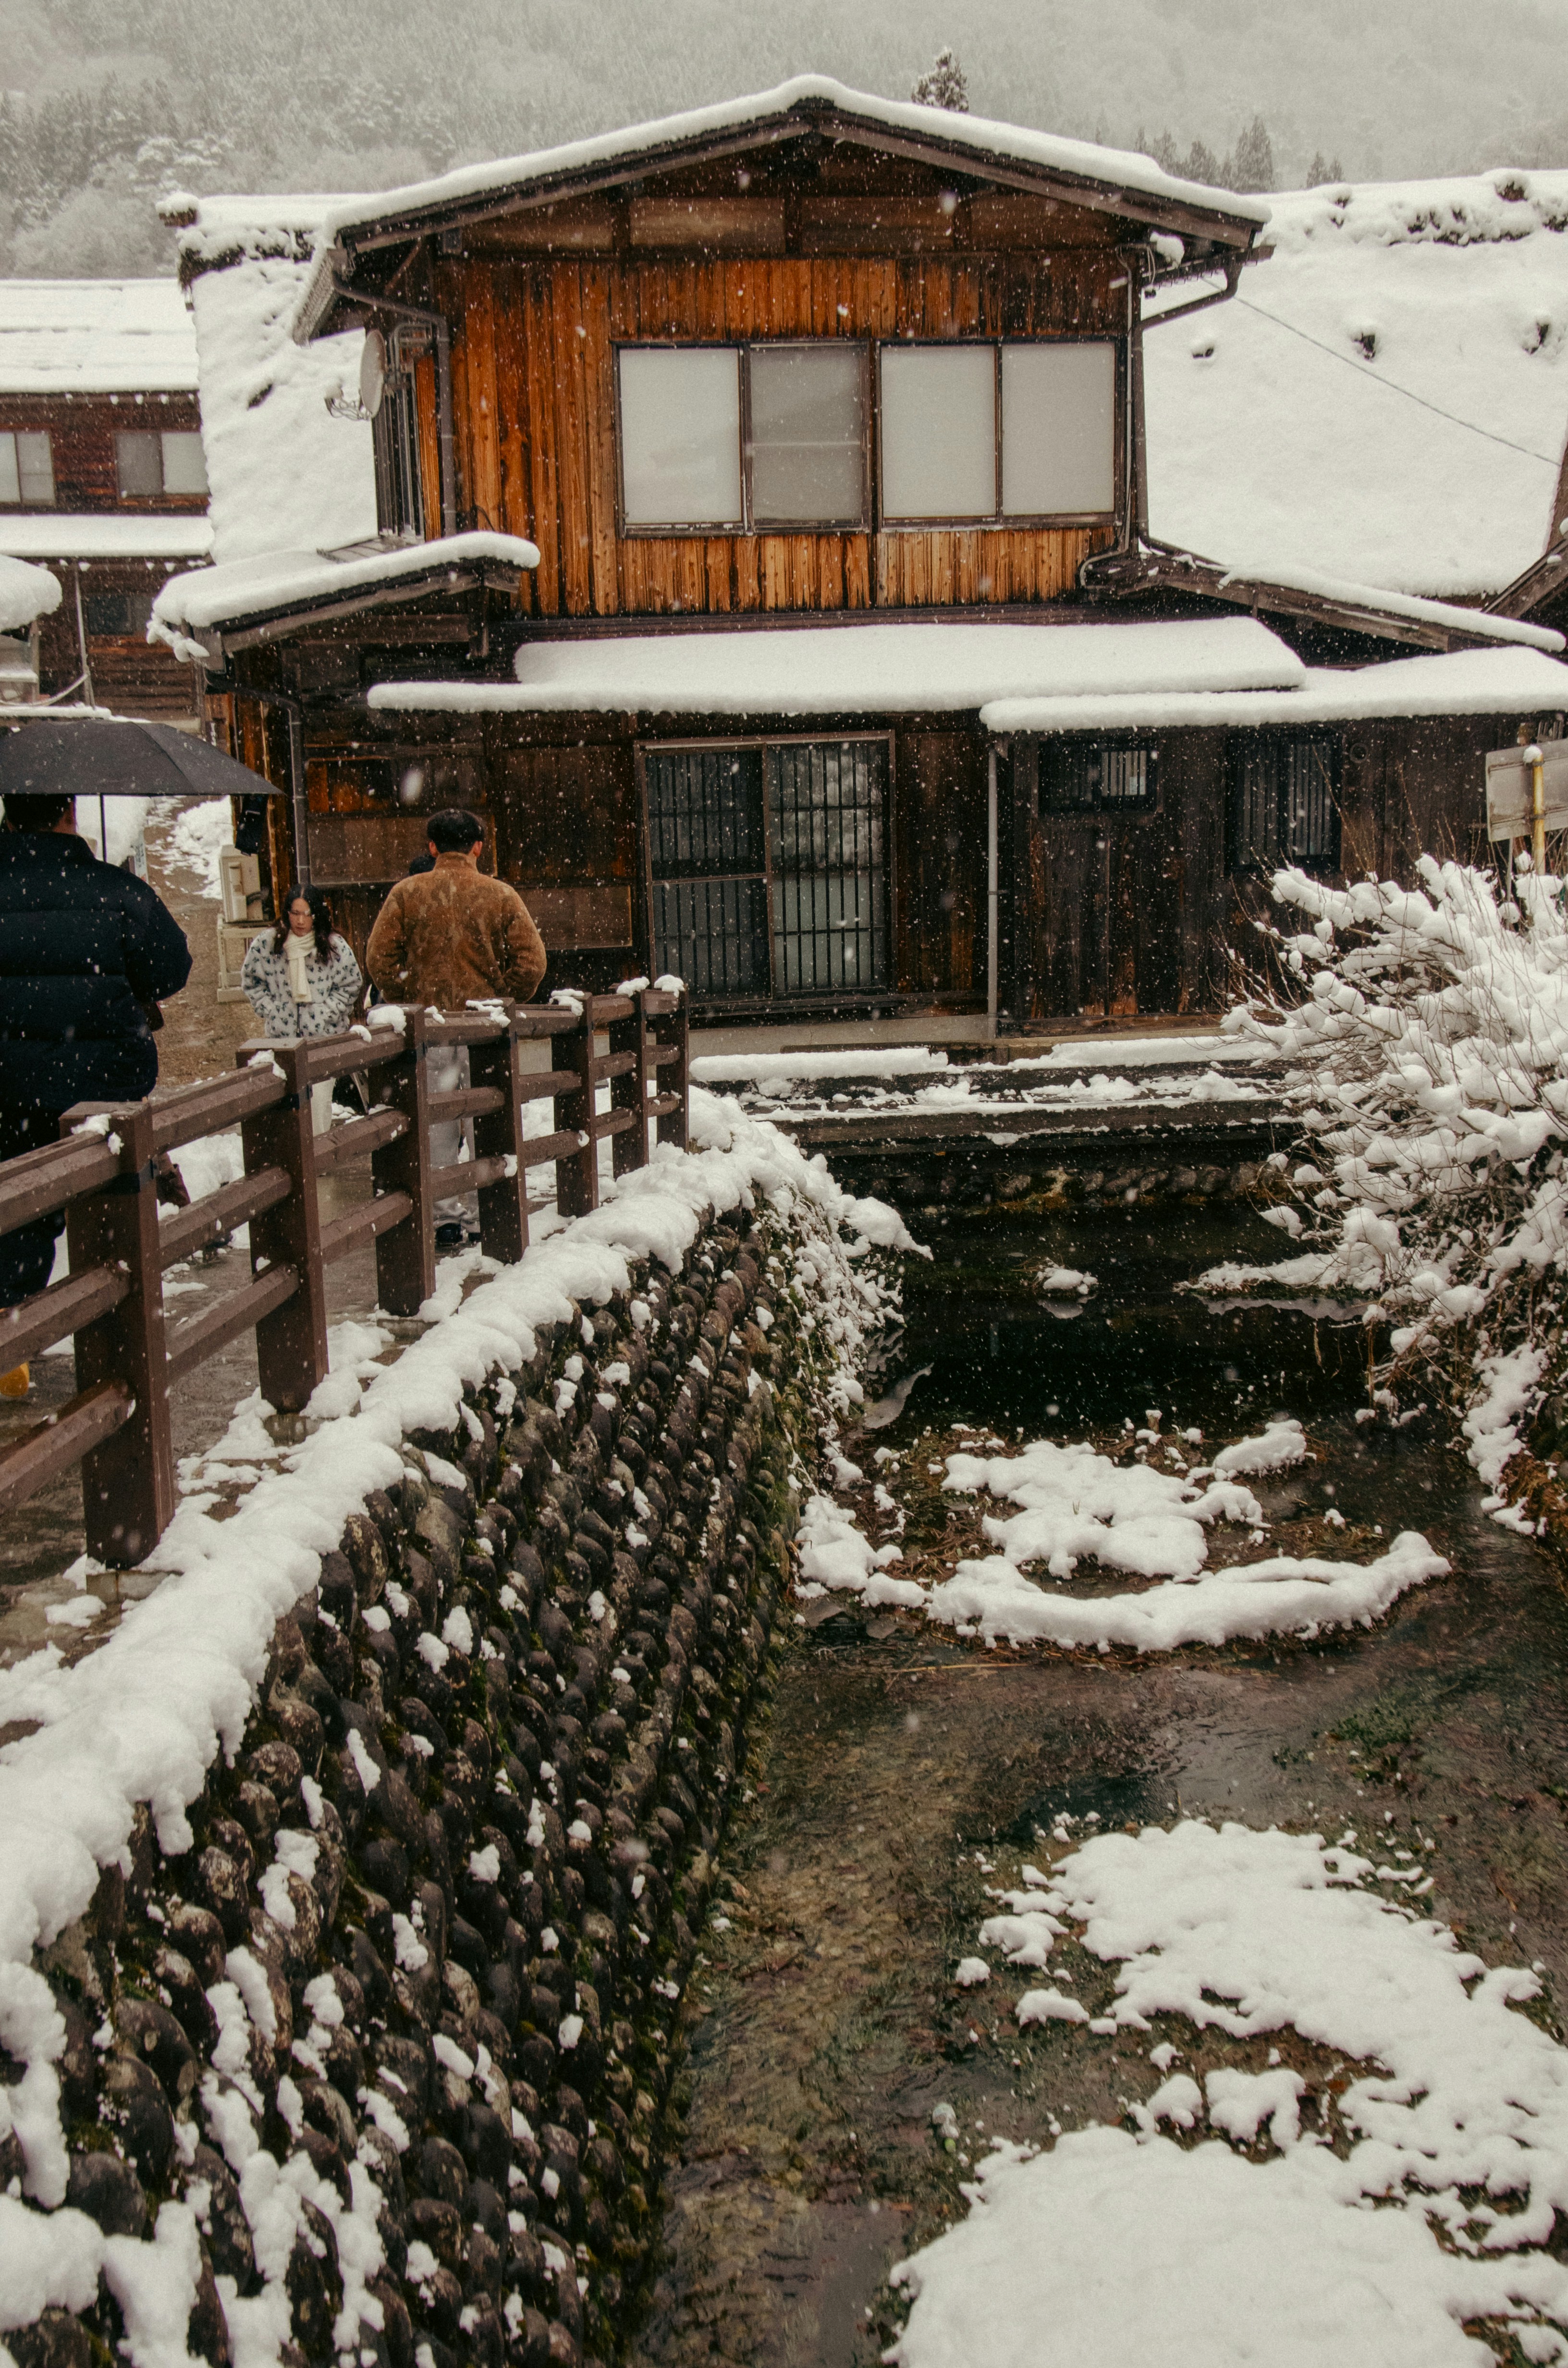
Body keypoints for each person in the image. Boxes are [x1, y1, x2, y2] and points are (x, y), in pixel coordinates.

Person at [0, 789, 191, 1398]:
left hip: (6, 1086)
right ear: (70, 813)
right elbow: (170, 969)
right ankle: (114, 1360)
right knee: (106, 1215)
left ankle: (13, 1341)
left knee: (15, 1210)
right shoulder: (114, 890)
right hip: (99, 1087)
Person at [366, 807, 546, 1247]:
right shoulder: (500, 896)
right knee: (489, 1119)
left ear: (432, 847)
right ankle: (489, 1211)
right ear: (478, 847)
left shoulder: (407, 894)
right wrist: (501, 995)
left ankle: (444, 1218)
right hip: (484, 1028)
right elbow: (533, 962)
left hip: (430, 1028)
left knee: (436, 1126)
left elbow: (378, 959)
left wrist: (408, 997)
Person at [240, 883, 363, 1132]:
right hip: (282, 1039)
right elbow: (251, 980)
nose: (300, 920)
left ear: (317, 914)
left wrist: (325, 1012)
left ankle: (318, 1158)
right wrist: (273, 1010)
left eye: (307, 914)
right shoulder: (269, 943)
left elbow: (351, 984)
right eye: (295, 913)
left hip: (323, 1039)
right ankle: (295, 1163)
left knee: (319, 1104)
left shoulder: (333, 946)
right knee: (288, 1106)